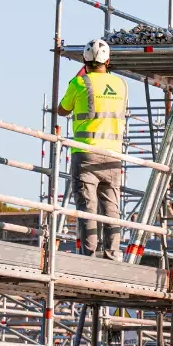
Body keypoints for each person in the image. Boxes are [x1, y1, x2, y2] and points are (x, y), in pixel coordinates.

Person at [55, 39, 128, 257]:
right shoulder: (121, 85)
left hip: (85, 153)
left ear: (84, 60)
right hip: (113, 155)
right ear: (108, 60)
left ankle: (89, 254)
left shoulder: (79, 84)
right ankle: (112, 252)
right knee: (111, 207)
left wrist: (78, 77)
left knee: (88, 208)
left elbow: (62, 109)